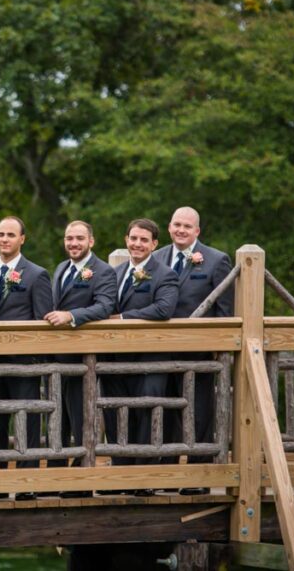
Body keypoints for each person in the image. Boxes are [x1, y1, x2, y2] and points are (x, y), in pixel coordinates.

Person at [154, 207, 234, 495]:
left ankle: (199, 473)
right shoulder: (157, 257)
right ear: (169, 226)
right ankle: (169, 469)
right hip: (162, 349)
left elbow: (225, 312)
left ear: (197, 231)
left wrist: (217, 347)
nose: (181, 230)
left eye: (187, 226)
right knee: (166, 409)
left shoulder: (216, 260)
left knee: (199, 411)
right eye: (176, 224)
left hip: (199, 352)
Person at [102, 218, 179, 496]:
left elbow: (163, 309)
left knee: (146, 412)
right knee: (116, 413)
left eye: (144, 240)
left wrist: (122, 318)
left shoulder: (165, 274)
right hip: (115, 358)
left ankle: (144, 476)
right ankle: (121, 474)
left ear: (154, 244)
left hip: (150, 358)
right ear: (126, 240)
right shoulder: (116, 272)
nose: (137, 244)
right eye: (133, 238)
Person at [43, 220, 117, 497]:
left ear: (91, 241)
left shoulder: (103, 271)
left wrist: (71, 316)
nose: (73, 243)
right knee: (57, 417)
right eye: (69, 238)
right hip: (58, 356)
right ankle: (58, 473)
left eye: (79, 239)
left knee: (80, 417)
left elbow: (104, 306)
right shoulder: (61, 268)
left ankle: (83, 477)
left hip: (84, 357)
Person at [0, 217, 52, 501]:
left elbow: (42, 319)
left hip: (23, 360)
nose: (4, 239)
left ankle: (26, 482)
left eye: (10, 235)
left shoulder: (37, 275)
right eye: (0, 234)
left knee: (26, 421)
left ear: (22, 239)